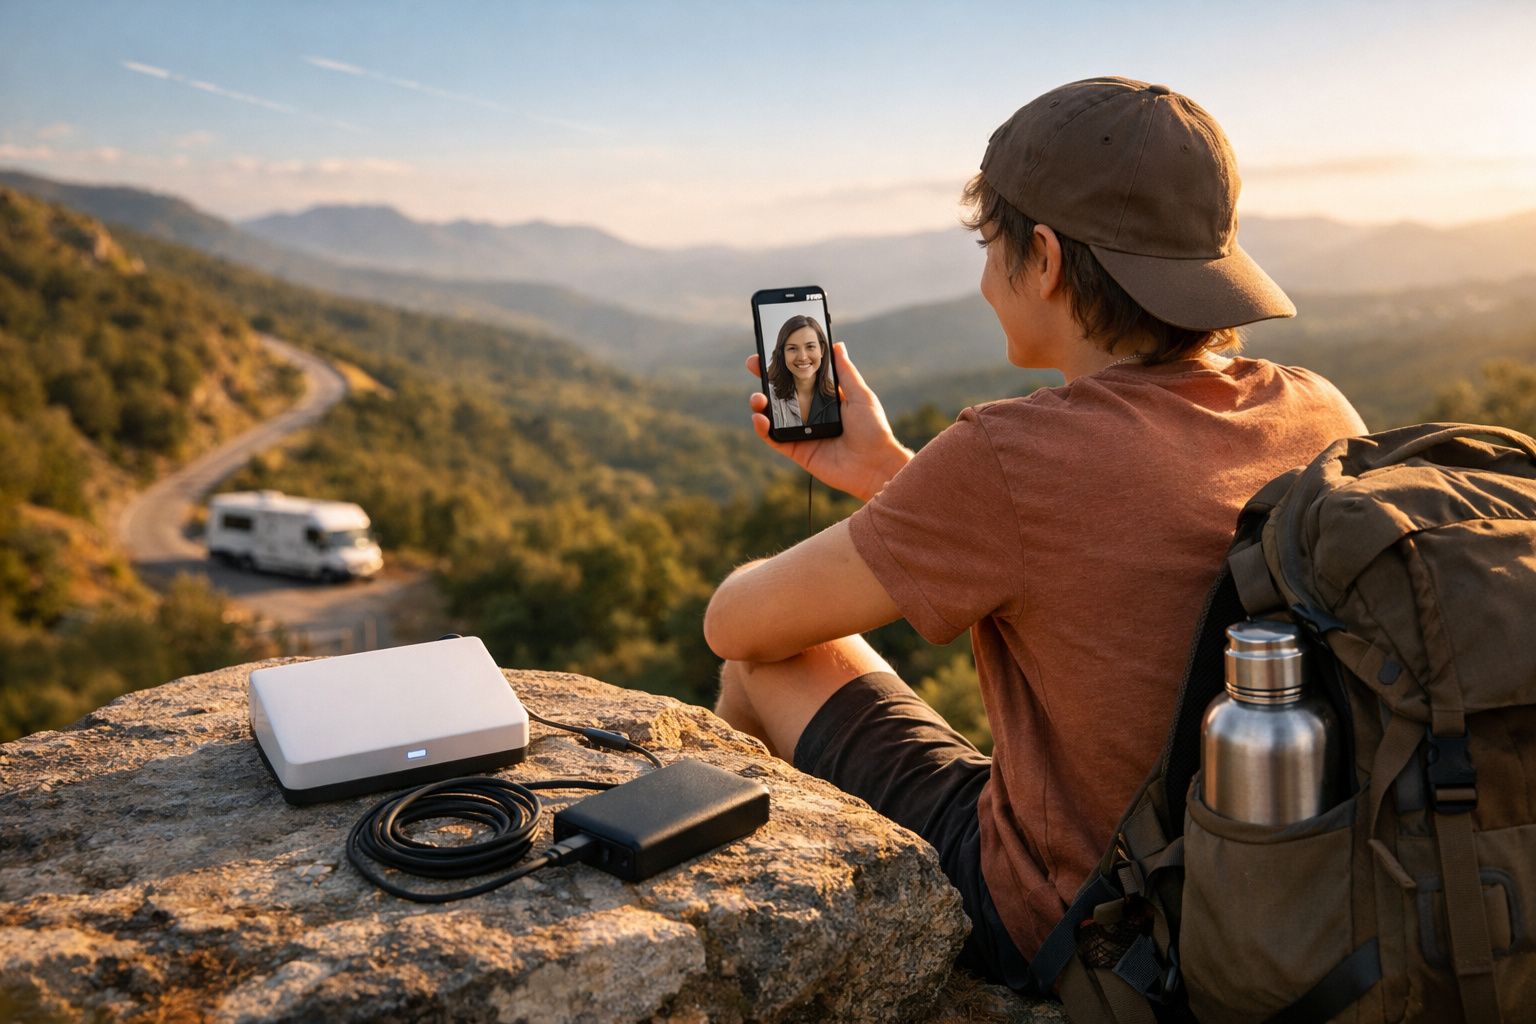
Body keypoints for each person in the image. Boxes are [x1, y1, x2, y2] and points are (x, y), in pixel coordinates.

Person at [703, 76, 1368, 989]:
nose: (985, 278)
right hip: (1271, 901)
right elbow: (1102, 548)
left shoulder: (1013, 453)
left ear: (1044, 258)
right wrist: (894, 478)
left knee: (766, 660)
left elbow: (736, 626)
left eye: (991, 247)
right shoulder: (1319, 409)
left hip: (1081, 928)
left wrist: (925, 492)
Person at [766, 315, 839, 428]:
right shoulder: (770, 398)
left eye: (810, 346)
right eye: (792, 348)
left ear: (822, 350)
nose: (803, 357)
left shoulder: (838, 398)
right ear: (782, 354)